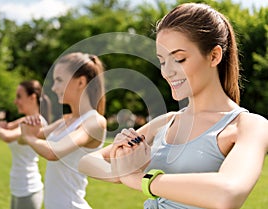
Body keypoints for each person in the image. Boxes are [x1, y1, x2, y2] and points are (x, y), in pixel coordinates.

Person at [78, 3, 268, 209]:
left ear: (214, 56)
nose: (167, 72)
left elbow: (227, 194)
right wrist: (122, 167)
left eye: (179, 59)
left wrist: (140, 178)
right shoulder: (167, 121)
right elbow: (87, 161)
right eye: (162, 61)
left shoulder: (250, 126)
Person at [19, 52, 107, 209]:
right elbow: (26, 137)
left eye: (59, 80)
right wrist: (29, 126)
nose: (53, 87)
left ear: (81, 82)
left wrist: (29, 137)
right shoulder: (65, 121)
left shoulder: (95, 122)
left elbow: (54, 152)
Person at [0, 80, 51, 209]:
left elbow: (7, 136)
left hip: (28, 189)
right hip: (17, 187)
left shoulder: (37, 122)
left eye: (19, 96)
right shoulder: (25, 120)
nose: (15, 101)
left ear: (32, 98)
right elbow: (3, 128)